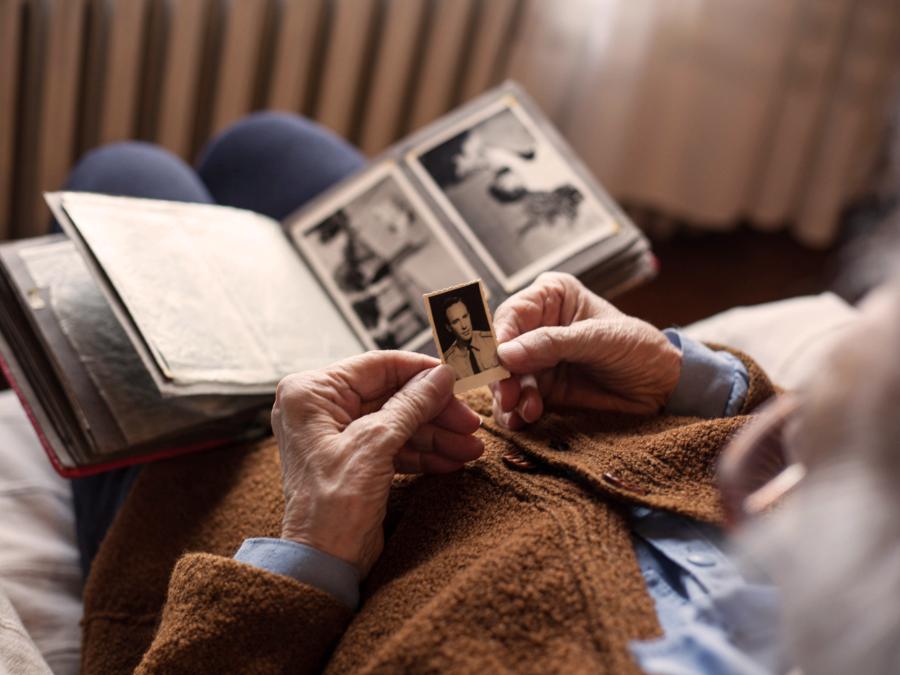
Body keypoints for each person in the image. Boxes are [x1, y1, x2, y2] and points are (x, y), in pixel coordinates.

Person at [69, 111, 892, 674]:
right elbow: (805, 438)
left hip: (216, 501)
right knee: (264, 145)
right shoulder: (839, 525)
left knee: (124, 173)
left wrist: (313, 545)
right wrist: (689, 376)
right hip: (439, 386)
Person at [440, 295, 500, 378]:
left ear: (469, 315)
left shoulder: (492, 340)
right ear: (448, 328)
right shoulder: (448, 362)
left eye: (465, 316)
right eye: (456, 321)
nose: (464, 325)